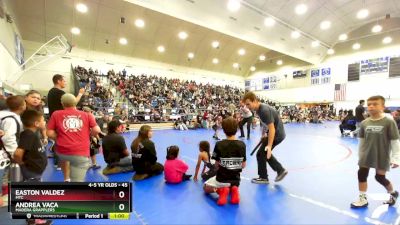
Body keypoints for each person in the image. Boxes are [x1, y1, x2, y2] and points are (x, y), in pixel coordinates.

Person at [351, 95, 400, 208]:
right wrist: (360, 154)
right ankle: (362, 199)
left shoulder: (389, 121)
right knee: (361, 174)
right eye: (369, 104)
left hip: (382, 155)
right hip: (366, 154)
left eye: (375, 104)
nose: (371, 106)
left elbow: (395, 141)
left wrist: (396, 158)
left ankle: (393, 193)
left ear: (383, 106)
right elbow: (362, 140)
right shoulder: (364, 123)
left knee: (379, 178)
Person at [47, 94, 101, 182]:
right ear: (75, 103)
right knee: (77, 180)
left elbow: (49, 132)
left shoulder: (56, 114)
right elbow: (97, 129)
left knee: (65, 162)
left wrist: (59, 138)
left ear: (62, 103)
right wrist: (88, 135)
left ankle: (66, 179)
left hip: (62, 151)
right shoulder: (87, 115)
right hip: (80, 151)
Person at [13, 110, 52, 225]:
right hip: (32, 171)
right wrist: (23, 164)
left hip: (35, 171)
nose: (45, 122)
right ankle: (36, 220)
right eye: (43, 120)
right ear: (36, 123)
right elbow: (17, 154)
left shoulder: (33, 134)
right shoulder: (28, 134)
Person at [242, 92, 288, 184]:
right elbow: (266, 124)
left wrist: (270, 146)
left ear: (254, 101)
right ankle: (279, 170)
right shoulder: (258, 110)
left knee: (262, 153)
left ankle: (265, 177)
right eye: (246, 105)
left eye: (248, 104)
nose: (247, 107)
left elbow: (272, 129)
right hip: (273, 133)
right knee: (263, 153)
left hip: (277, 134)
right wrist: (264, 134)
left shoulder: (264, 110)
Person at [203, 117, 246, 206]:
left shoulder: (219, 144)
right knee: (232, 185)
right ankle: (234, 190)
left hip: (221, 179)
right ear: (237, 129)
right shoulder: (242, 145)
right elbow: (243, 165)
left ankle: (220, 190)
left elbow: (216, 165)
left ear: (223, 130)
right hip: (236, 180)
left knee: (205, 187)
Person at [47, 74, 85, 174]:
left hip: (55, 120)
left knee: (58, 141)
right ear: (59, 81)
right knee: (63, 142)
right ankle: (62, 163)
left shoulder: (51, 92)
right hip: (61, 121)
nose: (65, 82)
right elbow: (73, 103)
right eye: (64, 81)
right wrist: (80, 94)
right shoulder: (59, 92)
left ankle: (58, 163)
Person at [0, 96, 25, 207]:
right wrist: (14, 153)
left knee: (5, 174)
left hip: (4, 152)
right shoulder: (10, 119)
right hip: (4, 153)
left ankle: (5, 191)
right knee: (4, 172)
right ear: (22, 105)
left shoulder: (6, 116)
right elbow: (8, 138)